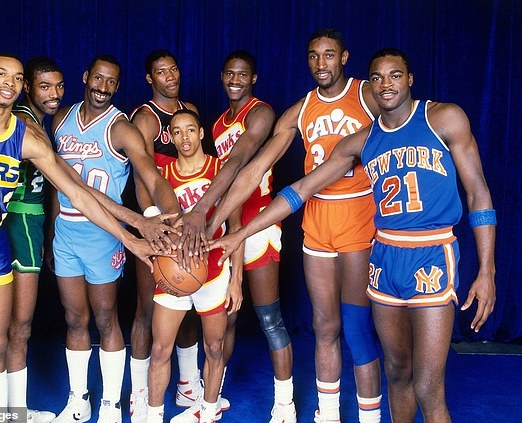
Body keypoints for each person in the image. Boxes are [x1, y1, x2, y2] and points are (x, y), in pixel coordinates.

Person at [210, 48, 497, 423]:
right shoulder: (360, 142)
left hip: (430, 251)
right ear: (369, 84)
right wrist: (241, 234)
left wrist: (487, 269)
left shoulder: (443, 118)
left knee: (428, 386)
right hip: (384, 256)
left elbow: (478, 193)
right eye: (377, 77)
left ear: (410, 79)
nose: (386, 84)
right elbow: (300, 190)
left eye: (395, 75)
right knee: (397, 372)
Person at [0, 54, 159, 423]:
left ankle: (5, 418)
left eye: (16, 77)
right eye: (1, 74)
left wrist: (131, 237)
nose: (8, 82)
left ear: (21, 85)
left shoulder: (26, 139)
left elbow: (78, 193)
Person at [50, 54, 180, 423]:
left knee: (106, 319)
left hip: (104, 236)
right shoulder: (60, 119)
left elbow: (153, 177)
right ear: (86, 77)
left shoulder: (121, 128)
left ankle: (111, 404)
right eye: (98, 78)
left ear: (118, 86)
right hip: (66, 234)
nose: (103, 87)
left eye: (111, 82)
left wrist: (171, 219)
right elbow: (57, 186)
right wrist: (50, 232)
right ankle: (79, 400)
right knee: (74, 319)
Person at [178, 50, 295, 423]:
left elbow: (239, 159)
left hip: (258, 225)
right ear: (221, 76)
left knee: (269, 319)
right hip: (226, 227)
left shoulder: (261, 113)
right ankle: (212, 399)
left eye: (242, 74)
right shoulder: (216, 125)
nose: (235, 80)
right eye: (229, 73)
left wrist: (202, 213)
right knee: (224, 318)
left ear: (253, 79)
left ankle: (285, 405)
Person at [129, 49, 212, 423]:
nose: (170, 76)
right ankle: (140, 392)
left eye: (174, 69)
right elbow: (143, 176)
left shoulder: (189, 109)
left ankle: (187, 384)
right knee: (148, 309)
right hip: (158, 224)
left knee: (187, 296)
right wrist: (154, 222)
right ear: (150, 79)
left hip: (189, 222)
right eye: (161, 72)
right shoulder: (145, 118)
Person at [145, 109, 243, 423]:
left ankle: (209, 411)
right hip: (173, 272)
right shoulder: (163, 176)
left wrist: (236, 280)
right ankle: (153, 415)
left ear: (201, 133)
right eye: (177, 132)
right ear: (170, 138)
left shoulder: (220, 169)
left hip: (213, 273)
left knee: (214, 347)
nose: (184, 137)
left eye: (190, 130)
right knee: (160, 348)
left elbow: (236, 228)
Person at [3, 56, 64, 423]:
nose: (54, 93)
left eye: (59, 86)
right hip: (20, 223)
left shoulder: (41, 120)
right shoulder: (24, 120)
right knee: (18, 325)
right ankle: (12, 413)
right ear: (27, 87)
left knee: (15, 326)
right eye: (45, 86)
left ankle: (12, 411)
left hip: (33, 223)